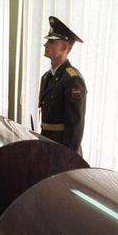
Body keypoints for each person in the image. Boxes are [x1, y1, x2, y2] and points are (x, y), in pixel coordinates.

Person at [38, 16, 87, 154]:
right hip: (48, 144)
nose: (45, 44)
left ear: (65, 47)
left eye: (51, 42)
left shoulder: (73, 80)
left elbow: (75, 128)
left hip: (63, 150)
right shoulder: (47, 77)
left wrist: (67, 157)